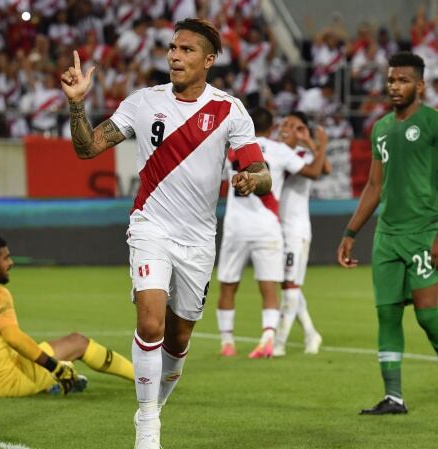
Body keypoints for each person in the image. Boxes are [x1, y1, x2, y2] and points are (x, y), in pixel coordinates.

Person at [61, 18, 271, 449]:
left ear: (209, 60)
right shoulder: (144, 102)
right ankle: (147, 427)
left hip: (197, 240)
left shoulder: (229, 110)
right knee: (150, 320)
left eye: (187, 50)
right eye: (172, 48)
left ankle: (154, 406)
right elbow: (87, 148)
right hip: (150, 227)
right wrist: (77, 104)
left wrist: (252, 182)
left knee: (178, 339)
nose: (175, 56)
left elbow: (259, 171)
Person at [337, 51, 438, 415]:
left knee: (429, 316)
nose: (395, 86)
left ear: (421, 86)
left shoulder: (432, 123)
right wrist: (351, 232)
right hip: (387, 238)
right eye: (392, 80)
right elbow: (373, 186)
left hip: (425, 233)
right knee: (387, 314)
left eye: (403, 80)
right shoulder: (380, 128)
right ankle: (393, 396)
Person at [0, 234, 134, 398]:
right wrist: (54, 366)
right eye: (6, 258)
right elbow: (13, 337)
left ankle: (56, 381)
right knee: (78, 343)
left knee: (51, 354)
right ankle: (142, 378)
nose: (11, 263)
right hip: (5, 382)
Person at [216, 107, 327, 359]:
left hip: (235, 225)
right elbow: (314, 172)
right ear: (271, 126)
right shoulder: (279, 151)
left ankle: (227, 343)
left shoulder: (233, 151)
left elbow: (218, 178)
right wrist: (319, 145)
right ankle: (270, 338)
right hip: (268, 226)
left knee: (227, 285)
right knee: (271, 288)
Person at [272, 111, 332, 357]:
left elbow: (324, 169)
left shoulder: (303, 156)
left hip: (296, 230)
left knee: (290, 286)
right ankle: (310, 333)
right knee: (289, 285)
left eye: (295, 127)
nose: (287, 128)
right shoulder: (275, 152)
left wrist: (312, 143)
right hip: (278, 227)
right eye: (285, 124)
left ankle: (279, 343)